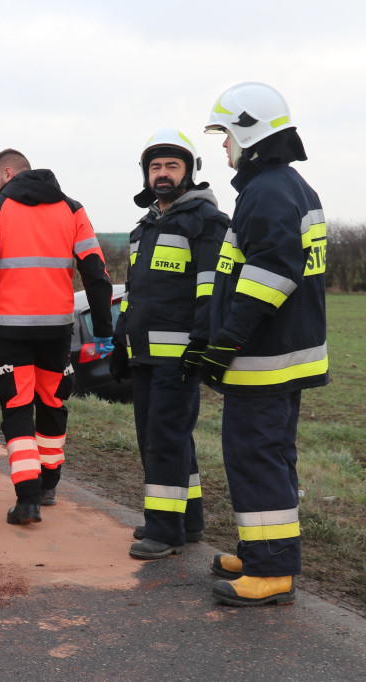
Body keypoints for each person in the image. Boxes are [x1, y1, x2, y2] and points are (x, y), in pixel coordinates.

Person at [201, 82, 328, 606]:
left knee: (255, 457)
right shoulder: (287, 186)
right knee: (271, 456)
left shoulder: (267, 192)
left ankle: (273, 570)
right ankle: (261, 552)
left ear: (250, 132)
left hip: (264, 359)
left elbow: (271, 274)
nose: (223, 146)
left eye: (226, 135)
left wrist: (226, 340)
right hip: (281, 355)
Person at [0, 149, 113, 524]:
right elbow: (95, 271)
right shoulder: (73, 209)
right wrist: (104, 328)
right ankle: (48, 486)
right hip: (58, 330)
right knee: (52, 404)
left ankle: (27, 500)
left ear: (7, 172)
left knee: (17, 407)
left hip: (11, 330)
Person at [110, 129, 229, 560]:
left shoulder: (207, 223)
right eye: (155, 167)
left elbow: (211, 292)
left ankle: (164, 530)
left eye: (171, 166)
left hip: (179, 358)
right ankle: (187, 519)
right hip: (144, 356)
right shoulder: (143, 229)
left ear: (190, 172)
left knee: (164, 439)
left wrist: (200, 345)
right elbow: (134, 294)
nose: (162, 174)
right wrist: (121, 342)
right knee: (165, 438)